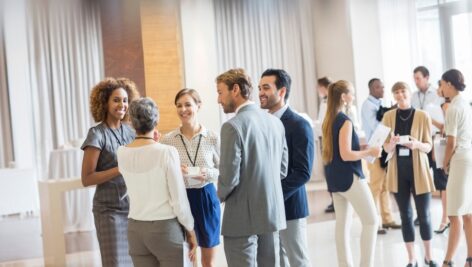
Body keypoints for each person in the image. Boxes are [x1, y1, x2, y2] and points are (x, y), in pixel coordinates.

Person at [216, 68, 288, 267]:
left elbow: (229, 179)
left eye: (220, 92)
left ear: (235, 90)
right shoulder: (276, 123)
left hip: (241, 217)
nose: (218, 99)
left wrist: (216, 198)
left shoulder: (232, 126)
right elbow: (282, 170)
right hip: (272, 214)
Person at [117, 97, 197, 267]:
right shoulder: (167, 152)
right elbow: (179, 200)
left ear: (131, 121)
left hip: (135, 229)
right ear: (156, 120)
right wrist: (190, 229)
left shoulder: (121, 153)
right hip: (164, 229)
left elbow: (143, 163)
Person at [81, 77, 139, 266]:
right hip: (109, 212)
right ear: (104, 103)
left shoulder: (131, 132)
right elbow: (87, 178)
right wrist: (119, 169)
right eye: (116, 100)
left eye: (124, 100)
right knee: (115, 263)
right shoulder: (96, 134)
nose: (122, 105)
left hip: (134, 210)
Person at [259, 69, 314, 267]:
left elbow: (303, 172)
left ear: (281, 92)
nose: (260, 93)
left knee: (298, 260)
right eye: (259, 88)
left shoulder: (300, 125)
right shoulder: (262, 124)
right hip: (267, 209)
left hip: (290, 206)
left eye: (266, 87)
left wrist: (273, 196)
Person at [322, 80, 380, 267]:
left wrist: (362, 147)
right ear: (344, 97)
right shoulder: (344, 121)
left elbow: (341, 150)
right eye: (352, 93)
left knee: (343, 224)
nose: (354, 97)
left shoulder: (330, 119)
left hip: (335, 180)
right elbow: (346, 154)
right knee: (371, 221)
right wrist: (369, 152)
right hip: (350, 177)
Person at [160, 89, 221, 267]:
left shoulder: (212, 137)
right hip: (180, 198)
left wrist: (207, 173)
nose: (183, 109)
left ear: (198, 106)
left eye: (188, 104)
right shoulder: (168, 140)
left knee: (208, 260)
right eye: (179, 105)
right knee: (184, 257)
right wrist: (174, 169)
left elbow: (224, 170)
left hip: (206, 198)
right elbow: (161, 171)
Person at [382, 82, 437, 267]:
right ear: (393, 95)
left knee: (424, 215)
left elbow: (429, 145)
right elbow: (385, 147)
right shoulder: (388, 116)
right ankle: (412, 258)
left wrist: (416, 145)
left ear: (409, 93)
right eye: (396, 92)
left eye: (403, 91)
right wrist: (392, 143)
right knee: (405, 215)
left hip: (419, 170)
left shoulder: (422, 115)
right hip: (398, 171)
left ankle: (429, 257)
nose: (400, 95)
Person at [439, 69, 472, 267]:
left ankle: (448, 261)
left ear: (450, 84)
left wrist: (444, 163)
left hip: (459, 160)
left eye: (442, 84)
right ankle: (470, 258)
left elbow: (450, 143)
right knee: (467, 212)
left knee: (454, 213)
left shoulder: (453, 108)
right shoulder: (466, 103)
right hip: (470, 157)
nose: (441, 88)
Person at [361, 78, 401, 235]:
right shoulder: (368, 106)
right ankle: (374, 223)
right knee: (375, 186)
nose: (382, 89)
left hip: (384, 149)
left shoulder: (379, 105)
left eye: (383, 87)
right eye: (378, 87)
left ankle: (388, 219)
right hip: (375, 149)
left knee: (385, 186)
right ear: (371, 88)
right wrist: (391, 113)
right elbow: (377, 127)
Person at [412, 66, 445, 227]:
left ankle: (446, 218)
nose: (416, 81)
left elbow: (443, 119)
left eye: (418, 78)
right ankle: (422, 214)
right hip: (419, 140)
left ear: (427, 77)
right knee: (421, 179)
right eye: (414, 79)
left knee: (440, 178)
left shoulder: (438, 94)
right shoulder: (413, 96)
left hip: (435, 140)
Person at [317, 76, 336, 213]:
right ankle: (334, 199)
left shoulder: (330, 102)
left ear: (323, 87)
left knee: (330, 170)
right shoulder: (324, 101)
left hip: (328, 140)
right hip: (323, 138)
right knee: (328, 171)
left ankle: (336, 200)